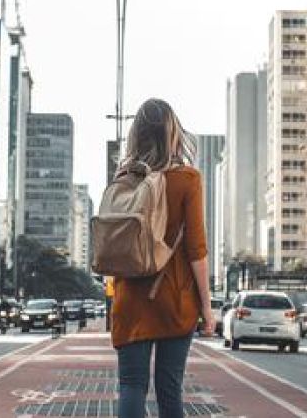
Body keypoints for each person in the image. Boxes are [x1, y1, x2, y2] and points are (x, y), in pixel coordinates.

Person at [110, 99, 214, 418]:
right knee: (170, 390)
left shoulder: (124, 178)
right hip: (175, 301)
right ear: (172, 133)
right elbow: (196, 250)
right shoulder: (187, 179)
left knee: (131, 385)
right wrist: (207, 310)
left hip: (130, 300)